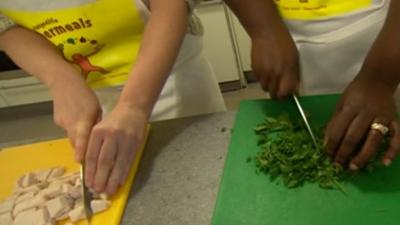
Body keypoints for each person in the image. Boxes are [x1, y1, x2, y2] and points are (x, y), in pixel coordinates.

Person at [0, 0, 226, 195]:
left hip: (174, 76)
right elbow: (5, 25)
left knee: (206, 178)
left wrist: (134, 105)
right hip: (94, 91)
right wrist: (59, 77)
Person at [224, 0, 400, 171]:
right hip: (280, 28)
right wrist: (263, 29)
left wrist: (381, 78)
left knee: (375, 137)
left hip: (384, 38)